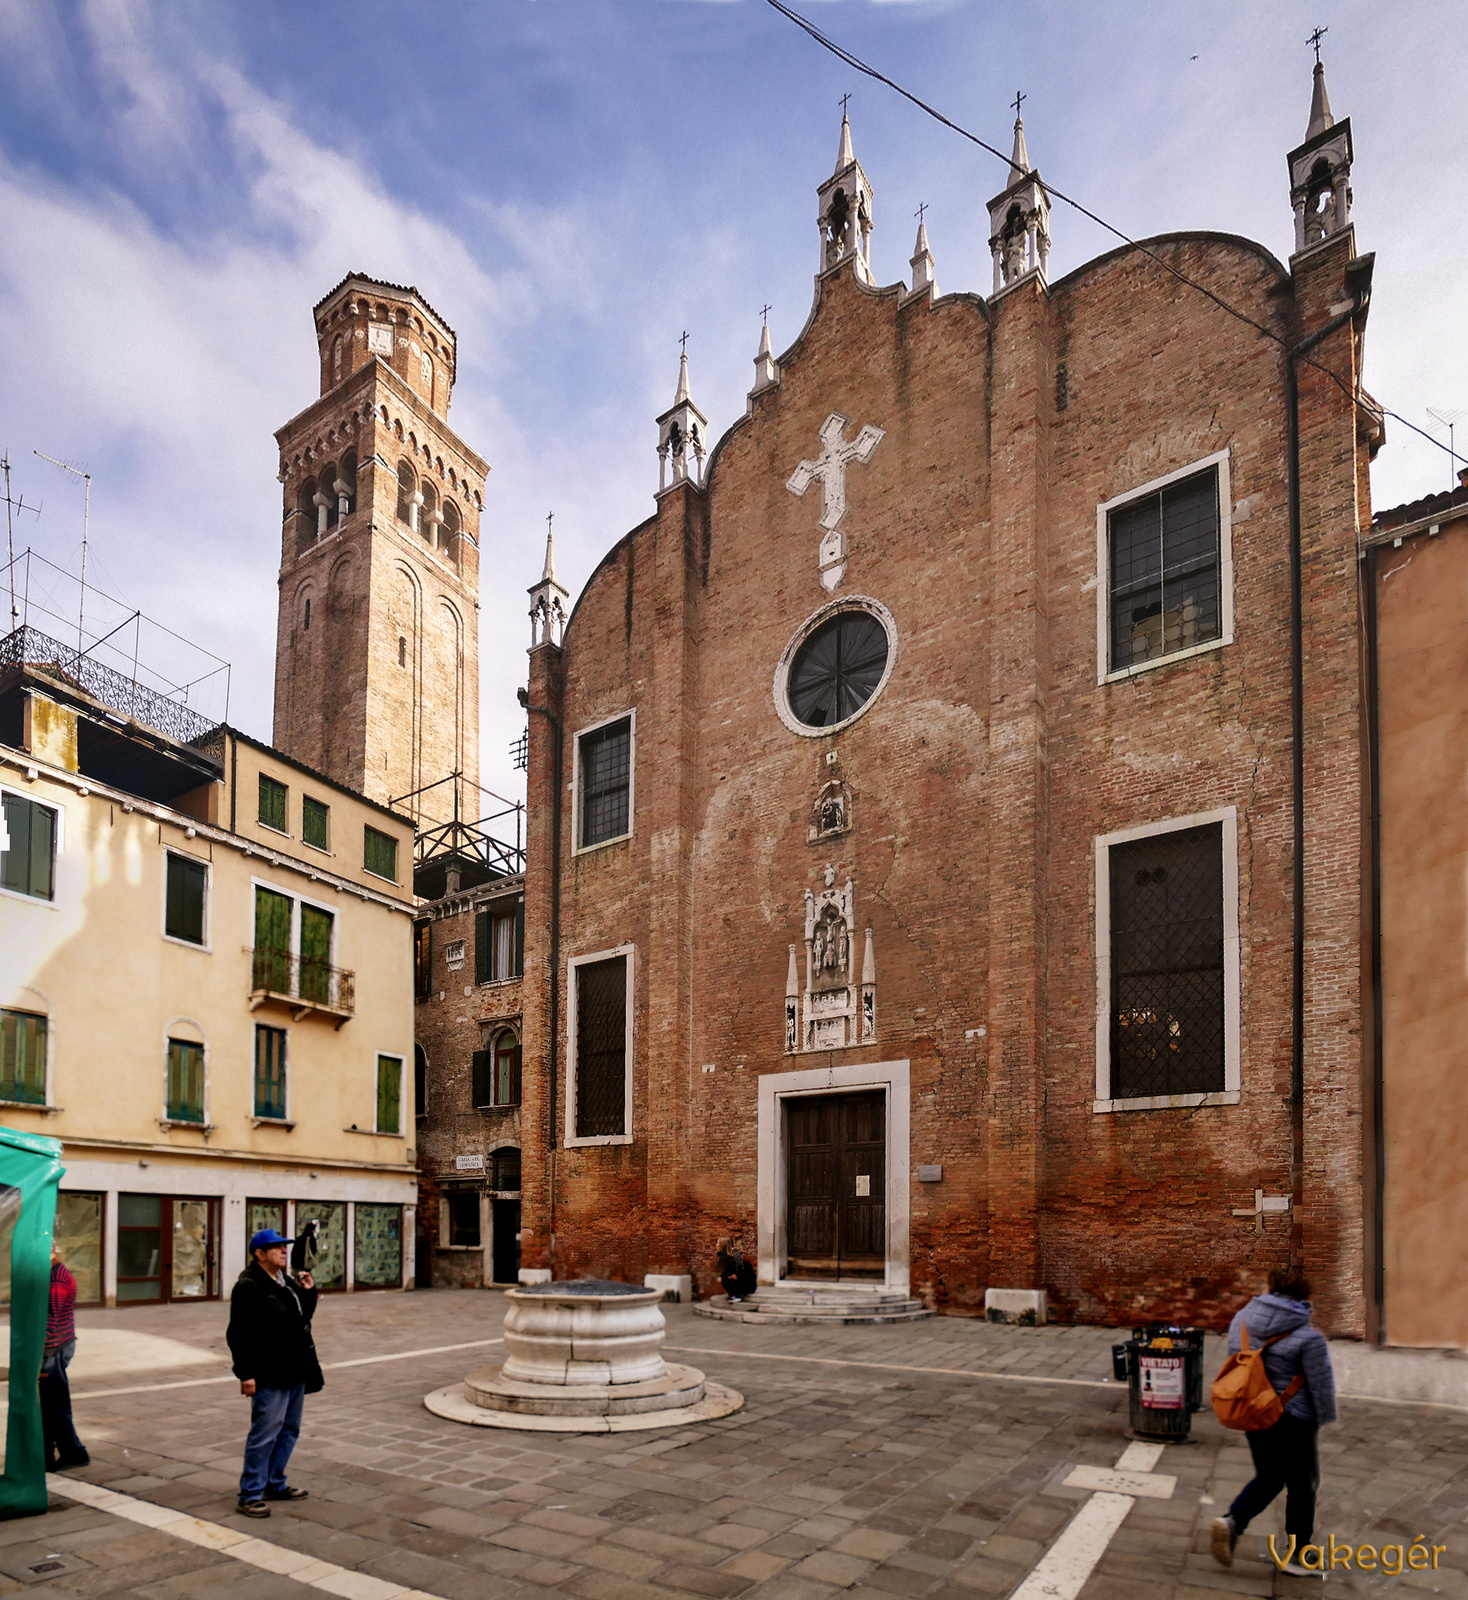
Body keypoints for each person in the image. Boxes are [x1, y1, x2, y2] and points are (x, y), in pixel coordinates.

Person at [1211, 1268, 1336, 1575]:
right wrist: (1324, 1418)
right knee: (1303, 1485)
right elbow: (1321, 1386)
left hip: (1254, 1411)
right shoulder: (1309, 1338)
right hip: (1295, 1419)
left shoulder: (1241, 1320)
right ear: (1305, 1295)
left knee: (1269, 1476)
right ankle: (1298, 1556)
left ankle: (1233, 1522)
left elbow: (1236, 1360)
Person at [226, 1228, 323, 1518]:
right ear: (259, 1254)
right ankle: (250, 1493)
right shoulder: (249, 1286)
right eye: (277, 1247)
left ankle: (275, 1483)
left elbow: (302, 1317)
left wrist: (308, 1290)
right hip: (269, 1371)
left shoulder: (286, 1282)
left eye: (285, 1246)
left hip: (295, 1368)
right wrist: (246, 1374)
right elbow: (238, 1334)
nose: (284, 1251)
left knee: (289, 1430)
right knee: (264, 1434)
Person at [40, 1244, 88, 1470]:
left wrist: (41, 1353)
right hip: (57, 1345)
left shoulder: (56, 1277)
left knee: (54, 1405)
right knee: (49, 1405)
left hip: (54, 1347)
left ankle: (74, 1452)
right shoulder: (51, 1273)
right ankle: (48, 1454)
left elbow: (52, 1316)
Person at [715, 1237, 757, 1304]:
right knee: (724, 1277)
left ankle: (735, 1295)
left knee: (724, 1278)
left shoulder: (732, 1256)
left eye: (718, 1243)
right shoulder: (727, 1256)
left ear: (723, 1245)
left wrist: (724, 1277)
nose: (716, 1245)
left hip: (747, 1285)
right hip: (746, 1283)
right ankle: (733, 1294)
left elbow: (737, 1274)